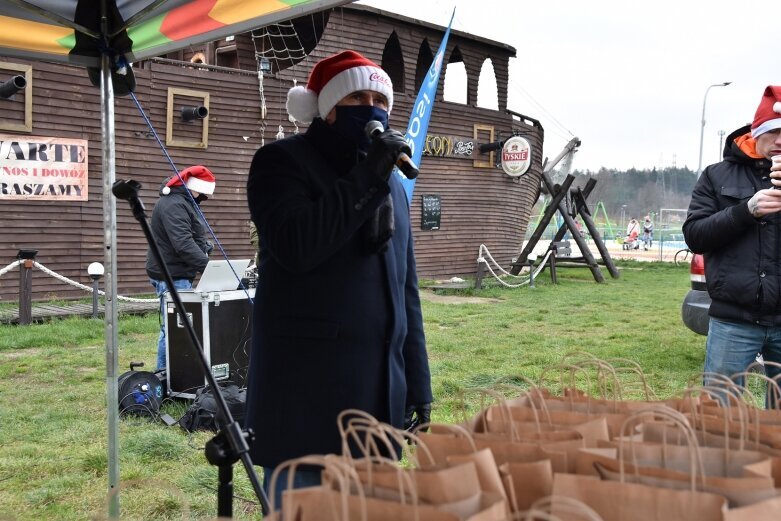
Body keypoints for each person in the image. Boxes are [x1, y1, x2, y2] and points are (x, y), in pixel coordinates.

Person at [244, 50, 433, 504]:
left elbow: (404, 291)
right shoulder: (281, 163)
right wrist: (368, 176)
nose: (372, 108)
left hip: (378, 405)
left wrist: (417, 382)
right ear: (325, 108)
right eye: (357, 97)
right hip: (308, 406)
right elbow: (297, 244)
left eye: (380, 100)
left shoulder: (391, 185)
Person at [683, 85, 781, 404]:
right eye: (774, 131)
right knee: (719, 410)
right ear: (756, 131)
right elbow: (695, 235)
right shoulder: (716, 175)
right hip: (734, 318)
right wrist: (744, 211)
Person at [145, 165, 216, 370]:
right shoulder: (174, 204)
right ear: (198, 188)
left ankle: (178, 374)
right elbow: (183, 244)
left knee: (178, 326)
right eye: (205, 194)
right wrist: (208, 268)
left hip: (178, 271)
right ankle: (164, 377)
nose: (206, 198)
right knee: (173, 328)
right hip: (171, 273)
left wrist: (205, 247)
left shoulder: (185, 202)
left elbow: (193, 234)